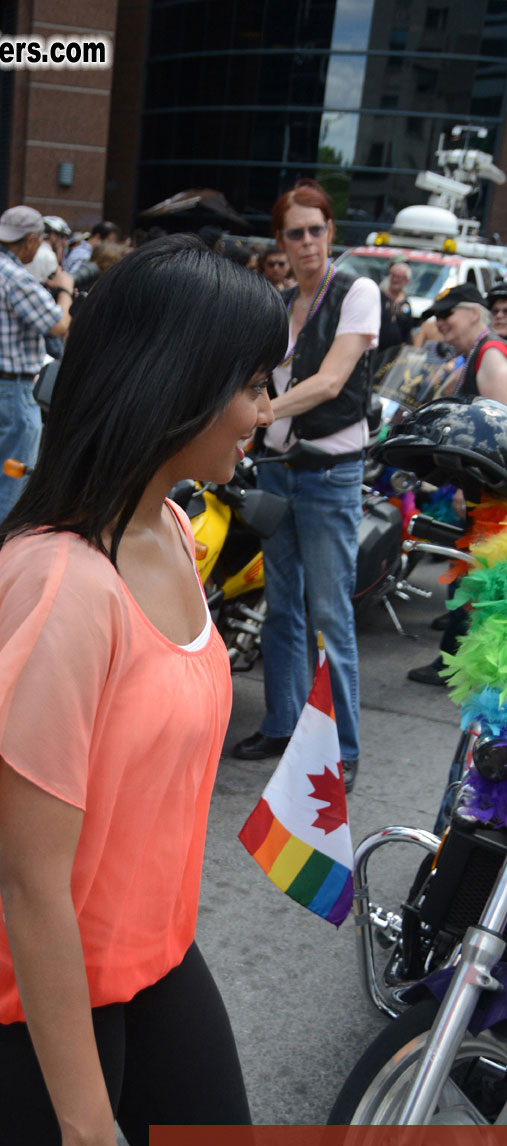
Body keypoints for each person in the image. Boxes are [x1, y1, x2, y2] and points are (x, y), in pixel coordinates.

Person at [0, 236, 287, 1146]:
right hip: (28, 973)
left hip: (145, 945)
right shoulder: (64, 586)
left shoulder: (170, 520)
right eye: (251, 384)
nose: (265, 409)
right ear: (177, 380)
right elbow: (31, 885)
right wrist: (86, 1138)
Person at [232, 179, 380, 794]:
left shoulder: (358, 290)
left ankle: (342, 748)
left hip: (329, 473)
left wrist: (258, 414)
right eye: (294, 233)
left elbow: (330, 380)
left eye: (316, 229)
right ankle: (282, 724)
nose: (307, 242)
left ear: (330, 232)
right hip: (280, 471)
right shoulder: (281, 301)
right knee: (281, 612)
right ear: (281, 241)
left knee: (329, 617)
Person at [406, 282, 507, 686]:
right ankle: (456, 661)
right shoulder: (475, 355)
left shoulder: (491, 355)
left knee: (477, 582)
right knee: (468, 578)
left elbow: (502, 433)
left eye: (447, 314)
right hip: (481, 498)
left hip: (493, 504)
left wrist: (480, 491)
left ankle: (459, 666)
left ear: (472, 313)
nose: (439, 322)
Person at [0, 205, 73, 554]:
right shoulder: (18, 278)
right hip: (14, 386)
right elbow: (58, 324)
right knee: (12, 473)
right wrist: (66, 291)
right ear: (28, 241)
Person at [378, 259, 413, 351]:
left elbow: (407, 330)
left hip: (394, 351)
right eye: (393, 276)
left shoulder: (406, 304)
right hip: (377, 348)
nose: (395, 280)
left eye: (399, 277)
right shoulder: (380, 297)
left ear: (406, 280)